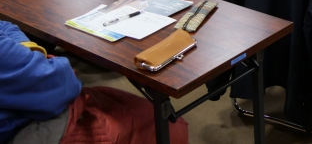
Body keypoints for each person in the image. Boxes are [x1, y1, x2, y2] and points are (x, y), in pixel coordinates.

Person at [0, 20, 188, 144]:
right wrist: (36, 59)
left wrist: (31, 54)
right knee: (162, 124)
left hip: (32, 100)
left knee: (119, 100)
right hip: (22, 128)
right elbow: (63, 84)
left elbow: (6, 26)